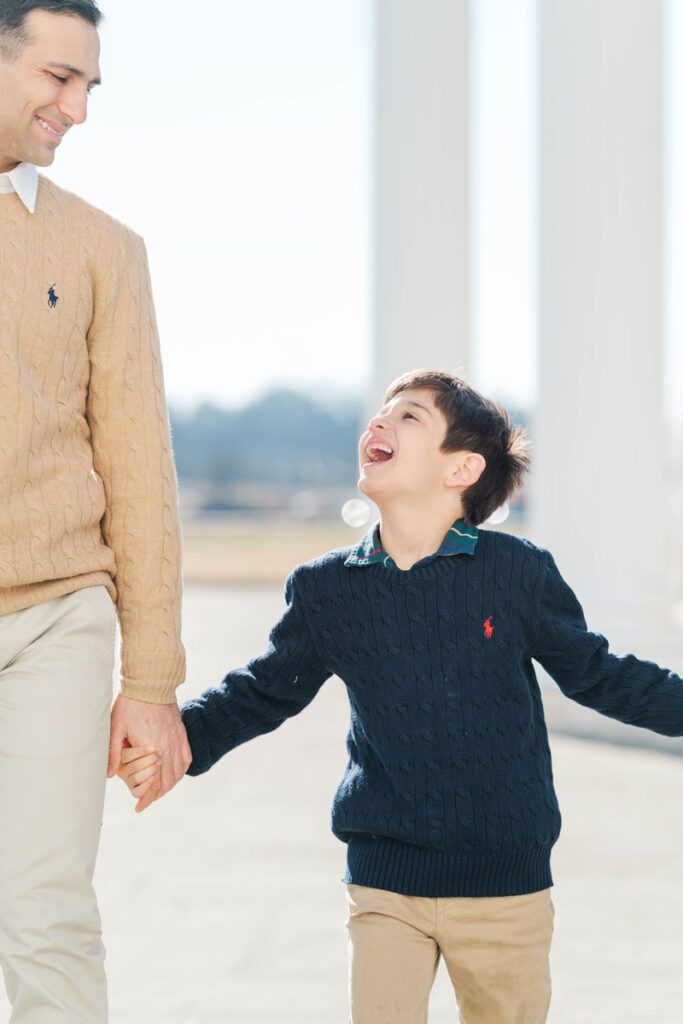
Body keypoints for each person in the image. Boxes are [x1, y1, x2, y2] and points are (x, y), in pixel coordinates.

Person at [121, 368, 683, 1024]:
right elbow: (263, 691)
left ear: (461, 468)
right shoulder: (328, 588)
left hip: (505, 885)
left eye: (409, 416)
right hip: (385, 878)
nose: (378, 424)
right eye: (380, 414)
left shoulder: (516, 573)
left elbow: (599, 674)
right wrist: (177, 740)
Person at [0, 2, 191, 1021]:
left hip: (55, 619)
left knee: (47, 914)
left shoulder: (103, 250)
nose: (75, 109)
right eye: (57, 78)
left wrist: (151, 679)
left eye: (88, 87)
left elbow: (137, 468)